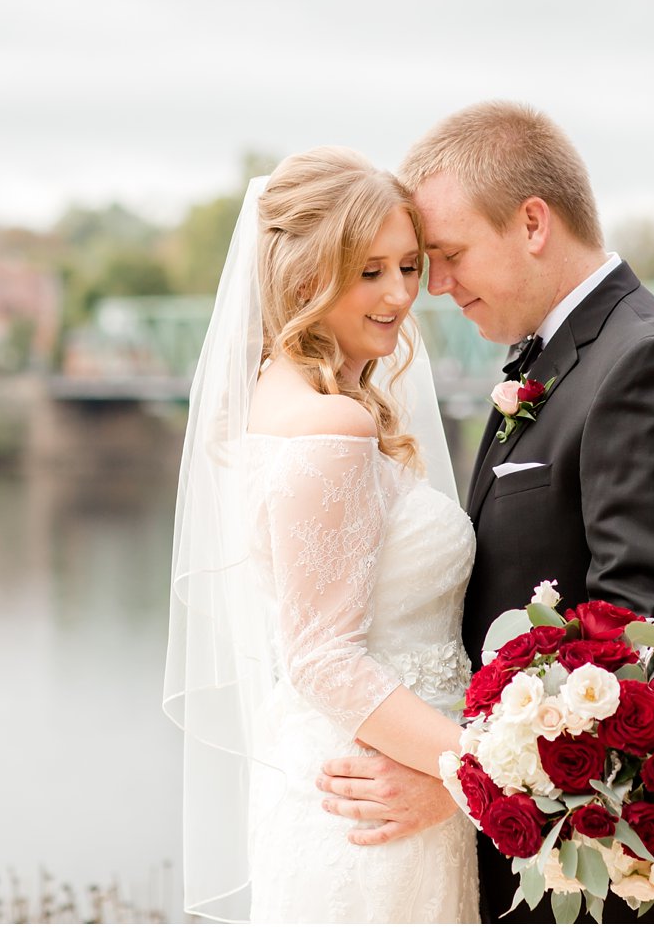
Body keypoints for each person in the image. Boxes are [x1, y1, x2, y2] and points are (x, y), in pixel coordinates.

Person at [316, 102, 654, 923]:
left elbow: (643, 659)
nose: (434, 285)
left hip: (635, 889)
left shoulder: (647, 369)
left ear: (533, 222)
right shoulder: (555, 358)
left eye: (449, 253)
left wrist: (459, 784)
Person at [163, 147, 479, 922]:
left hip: (351, 775)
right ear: (304, 276)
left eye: (409, 266)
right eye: (368, 271)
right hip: (381, 791)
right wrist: (487, 772)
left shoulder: (273, 400)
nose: (400, 294)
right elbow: (322, 658)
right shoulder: (332, 425)